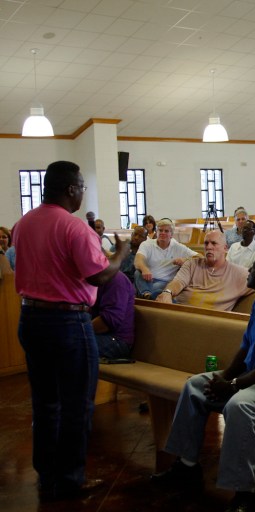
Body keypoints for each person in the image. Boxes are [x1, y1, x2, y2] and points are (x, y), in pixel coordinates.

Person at [150, 250, 255, 512]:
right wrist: (224, 376)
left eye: (253, 268)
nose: (248, 271)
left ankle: (245, 494)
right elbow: (247, 347)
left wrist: (232, 386)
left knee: (239, 406)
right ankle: (186, 466)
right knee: (195, 385)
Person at [14, 161, 129, 500]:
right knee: (77, 404)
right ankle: (71, 479)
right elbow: (96, 276)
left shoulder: (23, 224)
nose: (83, 192)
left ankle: (46, 475)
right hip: (67, 323)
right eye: (82, 186)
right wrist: (120, 255)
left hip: (31, 320)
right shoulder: (75, 228)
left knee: (46, 402)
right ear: (70, 189)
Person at [156, 231, 254, 311]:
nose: (208, 247)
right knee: (156, 294)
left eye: (214, 243)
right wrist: (167, 292)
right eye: (206, 243)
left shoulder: (238, 273)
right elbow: (178, 282)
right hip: (179, 311)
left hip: (207, 323)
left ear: (225, 248)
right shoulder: (192, 264)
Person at [134, 218, 199, 299]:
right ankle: (148, 295)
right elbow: (138, 260)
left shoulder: (178, 247)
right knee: (138, 272)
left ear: (171, 234)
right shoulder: (147, 244)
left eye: (166, 231)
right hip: (147, 278)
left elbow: (200, 257)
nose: (163, 233)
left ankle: (146, 295)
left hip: (163, 281)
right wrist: (144, 269)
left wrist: (185, 260)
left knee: (154, 288)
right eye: (160, 230)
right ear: (156, 232)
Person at [91, 272, 135, 359]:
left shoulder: (116, 279)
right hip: (95, 334)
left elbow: (109, 322)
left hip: (116, 340)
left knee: (68, 343)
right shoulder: (85, 277)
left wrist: (78, 330)